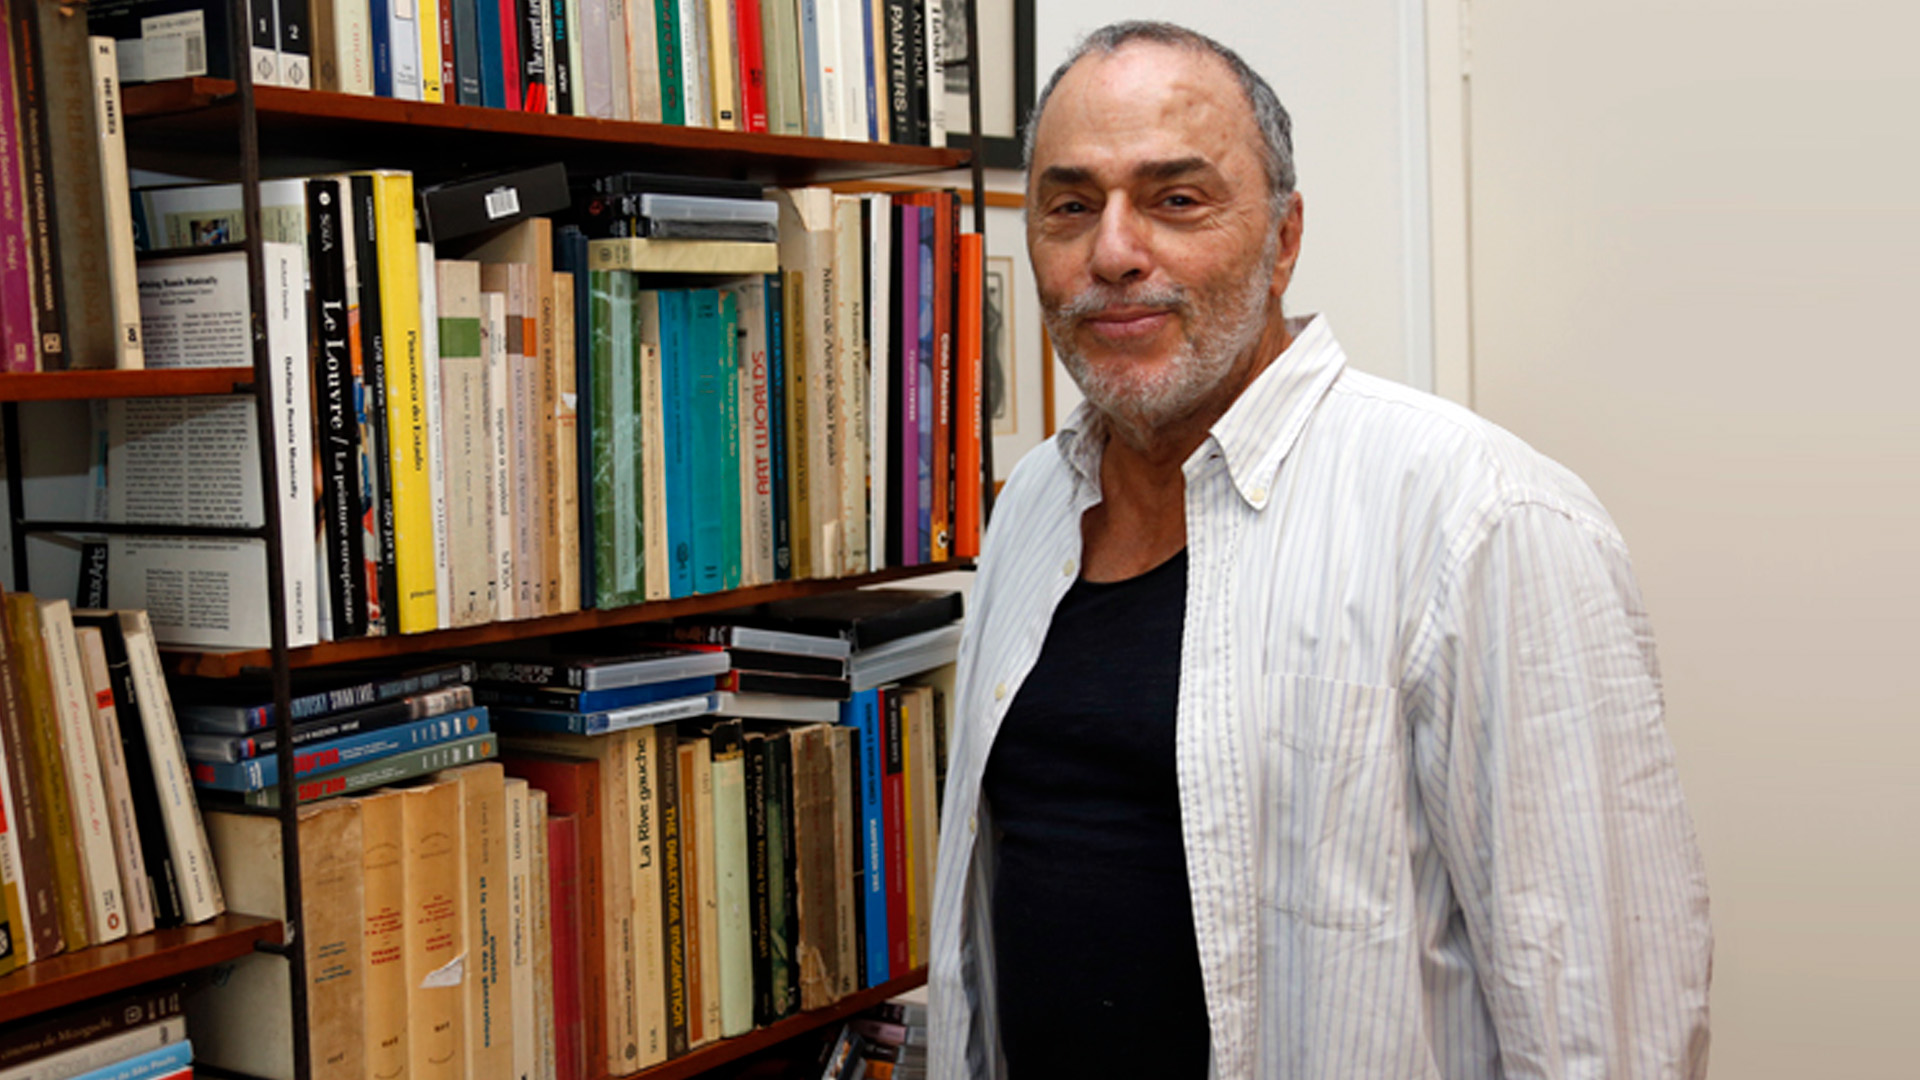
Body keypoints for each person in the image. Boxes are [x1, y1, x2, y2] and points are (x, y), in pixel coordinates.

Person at [928, 21, 1712, 1080]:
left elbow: (1604, 1028)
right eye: (1071, 205)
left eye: (1176, 198)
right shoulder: (1028, 507)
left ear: (1284, 237)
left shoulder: (1482, 519)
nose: (1113, 252)